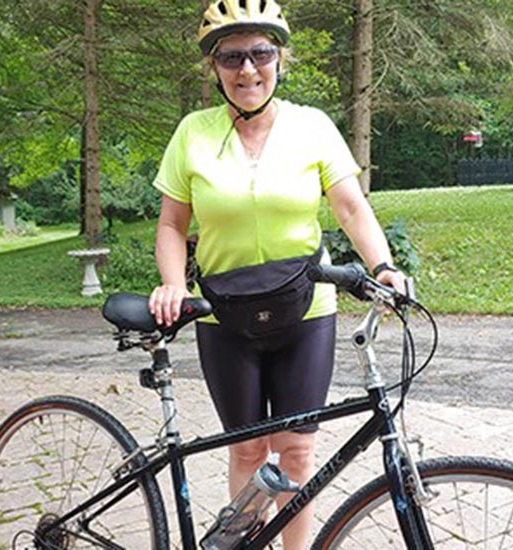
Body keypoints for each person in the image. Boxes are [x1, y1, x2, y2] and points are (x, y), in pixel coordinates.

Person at [148, 1, 408, 548]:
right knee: (245, 450)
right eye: (231, 57)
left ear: (279, 59)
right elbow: (172, 223)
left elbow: (351, 208)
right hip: (224, 316)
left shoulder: (311, 126)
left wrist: (382, 266)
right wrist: (173, 283)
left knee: (297, 450)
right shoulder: (193, 133)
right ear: (214, 68)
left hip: (305, 312)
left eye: (261, 53)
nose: (248, 70)